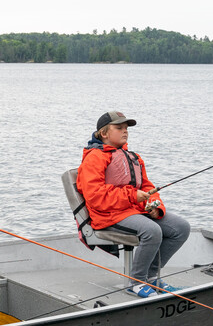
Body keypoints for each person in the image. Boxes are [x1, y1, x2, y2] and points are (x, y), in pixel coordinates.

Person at [77, 110, 190, 298]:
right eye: (119, 128)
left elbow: (147, 186)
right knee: (151, 231)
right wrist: (132, 196)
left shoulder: (133, 156)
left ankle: (152, 277)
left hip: (134, 210)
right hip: (107, 215)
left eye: (126, 128)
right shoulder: (95, 158)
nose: (125, 131)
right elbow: (95, 196)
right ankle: (136, 283)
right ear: (104, 133)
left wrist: (156, 207)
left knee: (181, 228)